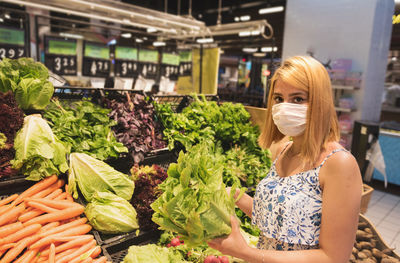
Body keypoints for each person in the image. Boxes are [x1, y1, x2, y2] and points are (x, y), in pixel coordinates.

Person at [208, 56, 363, 263]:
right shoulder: (282, 150)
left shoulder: (339, 164)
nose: (285, 107)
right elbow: (282, 219)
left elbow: (333, 258)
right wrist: (237, 196)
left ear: (320, 103)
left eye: (298, 99)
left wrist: (245, 252)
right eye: (279, 99)